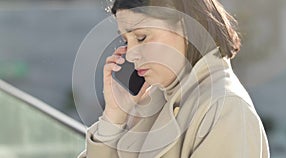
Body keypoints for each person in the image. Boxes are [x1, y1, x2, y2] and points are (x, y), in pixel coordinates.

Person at [78, 0, 270, 157]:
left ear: (186, 27)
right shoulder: (152, 100)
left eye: (142, 37)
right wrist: (114, 117)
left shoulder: (225, 108)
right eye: (126, 41)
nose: (130, 55)